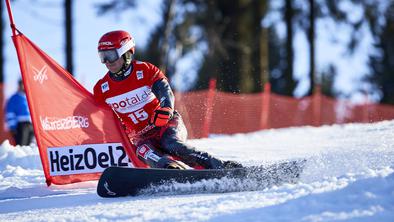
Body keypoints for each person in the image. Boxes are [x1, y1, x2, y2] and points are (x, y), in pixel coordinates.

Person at [93, 30, 242, 169]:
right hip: (142, 137)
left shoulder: (144, 70)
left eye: (111, 55)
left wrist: (166, 108)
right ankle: (170, 171)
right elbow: (97, 116)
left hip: (165, 124)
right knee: (145, 152)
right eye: (102, 57)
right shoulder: (101, 89)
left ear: (126, 53)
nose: (107, 62)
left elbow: (164, 89)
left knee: (171, 145)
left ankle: (219, 166)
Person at [5, 79, 34, 146]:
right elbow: (10, 113)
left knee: (30, 146)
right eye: (22, 85)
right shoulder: (14, 98)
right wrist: (12, 127)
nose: (24, 86)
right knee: (21, 145)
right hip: (21, 125)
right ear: (19, 86)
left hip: (31, 124)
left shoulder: (29, 96)